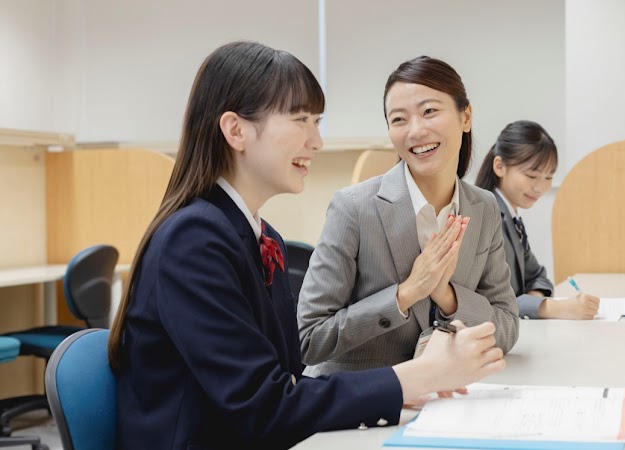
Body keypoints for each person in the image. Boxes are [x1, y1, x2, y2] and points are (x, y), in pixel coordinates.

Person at [107, 42, 506, 450]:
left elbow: (290, 377)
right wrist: (417, 376)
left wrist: (402, 389)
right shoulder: (191, 241)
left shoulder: (259, 236)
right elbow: (264, 407)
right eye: (301, 120)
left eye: (316, 121)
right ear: (236, 130)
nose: (316, 141)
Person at [297, 56, 519, 376]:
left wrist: (447, 296)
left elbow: (508, 327)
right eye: (399, 119)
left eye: (429, 111)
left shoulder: (483, 208)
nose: (416, 131)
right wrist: (407, 293)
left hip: (447, 396)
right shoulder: (353, 208)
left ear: (466, 116)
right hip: (361, 402)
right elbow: (309, 339)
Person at [475, 120, 599, 320]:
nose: (540, 188)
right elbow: (486, 301)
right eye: (532, 176)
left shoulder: (510, 217)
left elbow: (538, 276)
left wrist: (533, 300)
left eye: (548, 177)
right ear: (499, 166)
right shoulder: (484, 218)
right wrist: (548, 308)